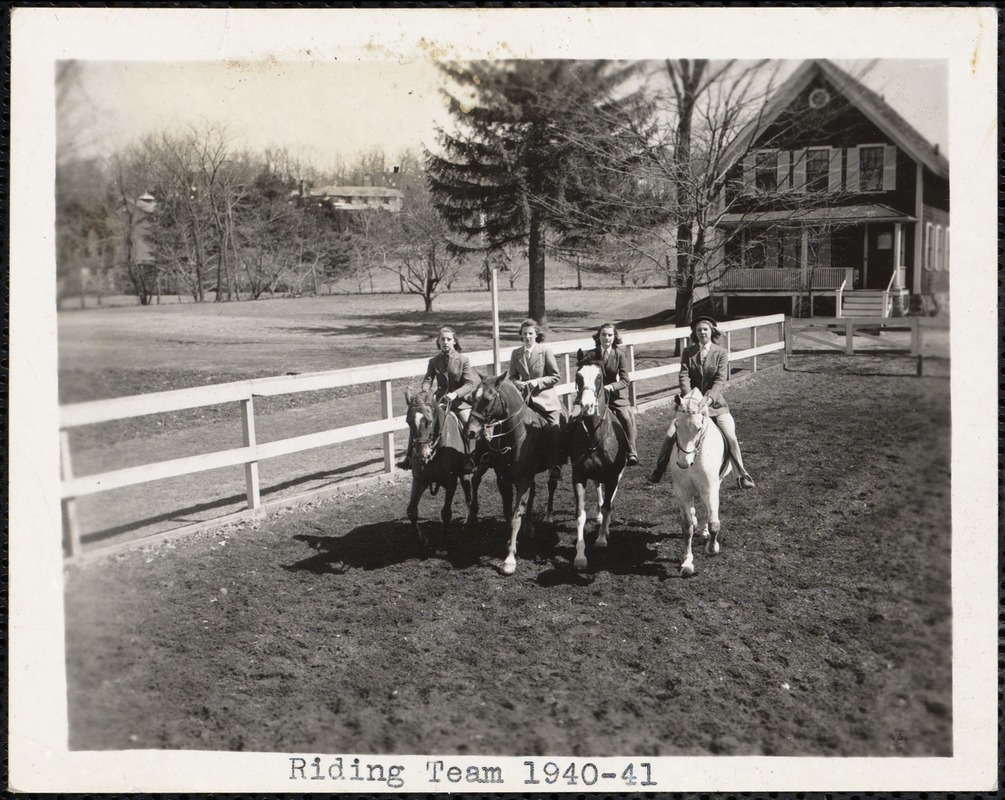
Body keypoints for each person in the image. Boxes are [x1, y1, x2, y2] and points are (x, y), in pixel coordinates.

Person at [648, 314, 756, 488]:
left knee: (731, 436)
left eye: (705, 329)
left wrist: (708, 398)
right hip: (690, 407)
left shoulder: (721, 353)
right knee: (670, 434)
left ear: (711, 331)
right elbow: (684, 375)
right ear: (695, 333)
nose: (702, 333)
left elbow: (720, 380)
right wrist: (691, 398)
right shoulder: (688, 352)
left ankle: (741, 475)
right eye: (698, 330)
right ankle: (658, 471)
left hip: (715, 406)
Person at [397, 326, 479, 471]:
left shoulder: (463, 360)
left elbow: (469, 383)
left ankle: (470, 459)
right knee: (420, 422)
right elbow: (428, 379)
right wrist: (425, 390)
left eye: (449, 339)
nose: (446, 342)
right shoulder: (434, 361)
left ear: (454, 341)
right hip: (440, 402)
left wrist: (455, 394)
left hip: (460, 403)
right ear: (438, 342)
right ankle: (409, 458)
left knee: (467, 421)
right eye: (443, 339)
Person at [588, 322, 639, 466]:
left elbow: (625, 380)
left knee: (624, 416)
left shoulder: (619, 355)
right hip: (595, 396)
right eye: (603, 334)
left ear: (614, 337)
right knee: (578, 417)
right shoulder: (592, 354)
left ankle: (631, 451)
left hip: (615, 396)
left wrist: (611, 386)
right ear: (598, 336)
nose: (606, 338)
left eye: (609, 335)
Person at [508, 318, 562, 426]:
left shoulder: (545, 351)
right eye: (525, 333)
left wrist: (537, 382)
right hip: (525, 401)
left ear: (536, 335)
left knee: (555, 429)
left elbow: (555, 376)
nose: (527, 337)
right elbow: (512, 377)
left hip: (546, 401)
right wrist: (518, 383)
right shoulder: (516, 353)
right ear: (521, 335)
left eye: (530, 333)